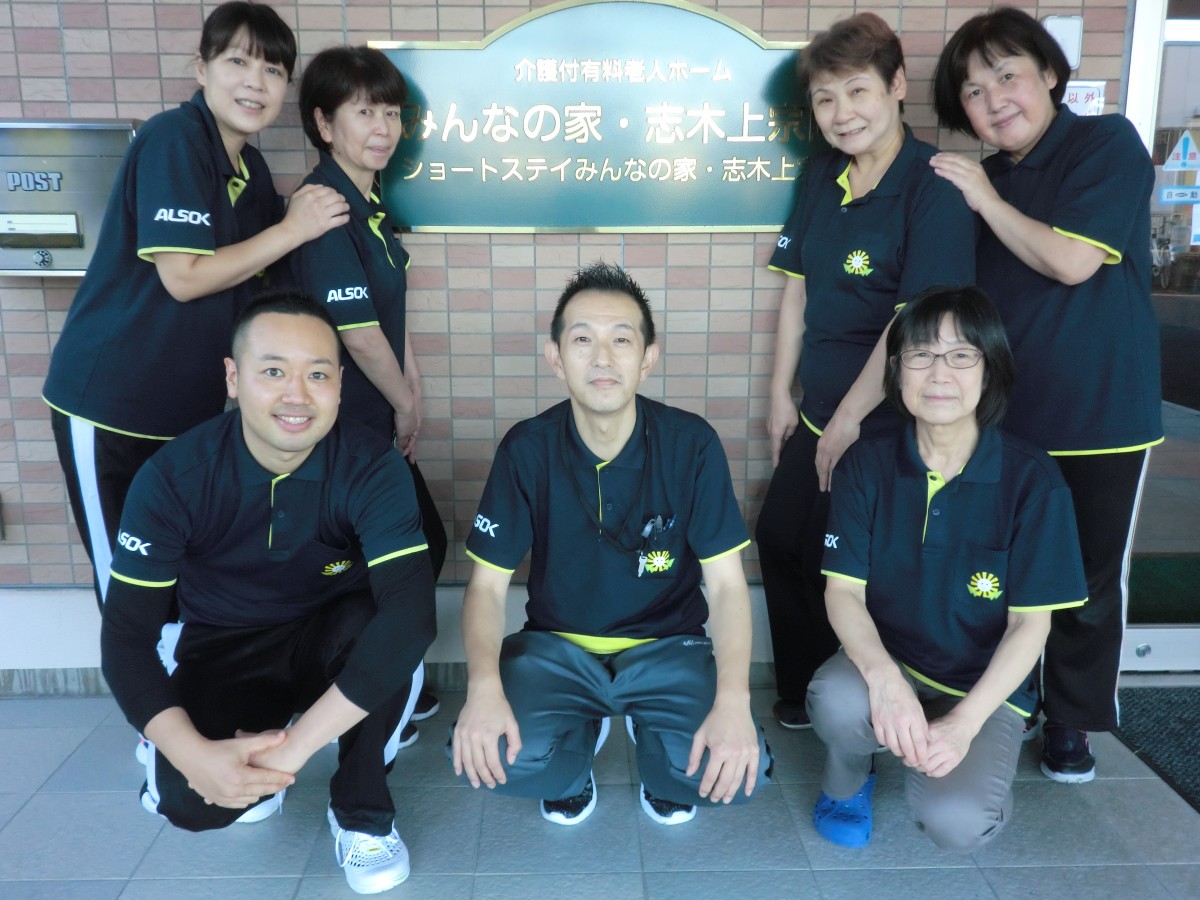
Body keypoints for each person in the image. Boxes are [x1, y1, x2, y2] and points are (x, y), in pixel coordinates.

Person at [100, 291, 436, 895]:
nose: (296, 395)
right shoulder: (174, 477)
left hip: (333, 635)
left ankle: (361, 813)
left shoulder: (372, 466)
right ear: (233, 378)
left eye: (318, 375)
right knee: (190, 802)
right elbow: (125, 634)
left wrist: (293, 753)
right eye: (274, 371)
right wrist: (191, 753)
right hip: (225, 641)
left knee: (386, 633)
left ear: (340, 385)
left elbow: (411, 616)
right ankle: (238, 752)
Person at [43, 1, 349, 610]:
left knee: (182, 567)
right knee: (129, 579)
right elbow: (182, 276)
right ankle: (144, 676)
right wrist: (293, 227)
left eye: (272, 71)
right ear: (201, 68)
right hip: (111, 404)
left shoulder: (250, 167)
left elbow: (261, 277)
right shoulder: (173, 139)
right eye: (238, 62)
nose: (255, 83)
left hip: (187, 412)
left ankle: (184, 673)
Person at [451, 262, 771, 826]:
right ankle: (578, 746)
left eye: (621, 339)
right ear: (555, 358)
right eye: (582, 340)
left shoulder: (691, 444)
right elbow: (486, 588)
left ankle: (658, 746)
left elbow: (725, 587)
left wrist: (734, 701)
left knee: (732, 774)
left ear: (648, 358)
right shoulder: (527, 449)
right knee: (495, 757)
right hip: (557, 650)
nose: (602, 358)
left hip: (669, 648)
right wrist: (481, 689)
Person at [930, 7, 1162, 783]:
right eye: (973, 91)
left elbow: (1071, 262)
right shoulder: (986, 181)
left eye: (1007, 76)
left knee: (1086, 581)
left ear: (1050, 75)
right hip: (1005, 419)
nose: (993, 99)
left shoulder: (1106, 144)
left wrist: (984, 199)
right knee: (1003, 573)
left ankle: (1072, 722)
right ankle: (1010, 701)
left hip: (1102, 414)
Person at [808, 285, 1087, 851]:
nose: (939, 373)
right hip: (894, 661)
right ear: (896, 372)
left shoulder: (1033, 481)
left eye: (961, 355)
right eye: (921, 354)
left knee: (959, 822)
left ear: (990, 370)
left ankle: (966, 757)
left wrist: (964, 724)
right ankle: (848, 782)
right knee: (837, 699)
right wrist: (885, 682)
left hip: (981, 687)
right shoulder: (866, 465)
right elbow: (843, 592)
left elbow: (1030, 625)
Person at [757, 12, 976, 730]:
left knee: (846, 559)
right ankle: (803, 693)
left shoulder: (932, 187)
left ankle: (854, 703)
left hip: (888, 423)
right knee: (780, 537)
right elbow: (796, 289)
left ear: (897, 86)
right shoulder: (822, 174)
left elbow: (915, 323)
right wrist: (780, 395)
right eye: (825, 99)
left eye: (858, 91)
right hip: (818, 409)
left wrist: (850, 420)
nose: (841, 112)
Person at [292, 44, 448, 743]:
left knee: (415, 548)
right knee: (393, 561)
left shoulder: (370, 205)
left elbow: (388, 315)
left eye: (391, 112)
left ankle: (385, 687)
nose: (382, 127)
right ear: (324, 124)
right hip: (337, 430)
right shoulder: (323, 209)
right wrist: (407, 405)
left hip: (371, 421)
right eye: (363, 112)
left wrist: (410, 385)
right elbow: (357, 335)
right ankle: (369, 698)